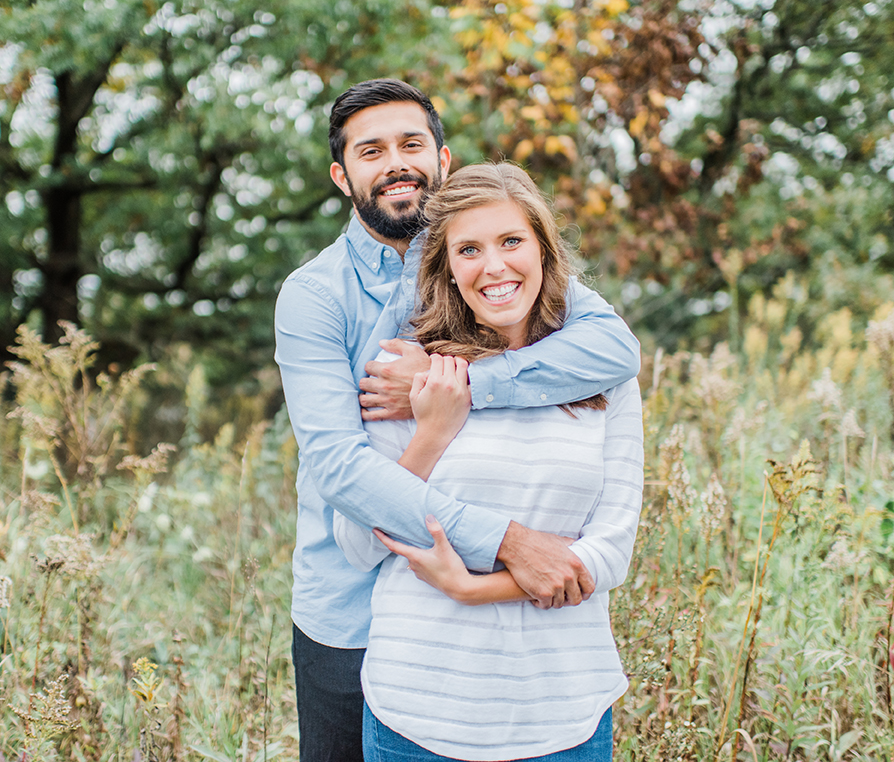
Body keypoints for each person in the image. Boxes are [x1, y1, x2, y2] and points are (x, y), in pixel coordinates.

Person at [273, 79, 640, 761]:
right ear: (340, 174)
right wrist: (509, 542)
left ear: (443, 160)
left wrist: (464, 380)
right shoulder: (314, 296)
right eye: (371, 150)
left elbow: (616, 350)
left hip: (512, 660)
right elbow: (343, 471)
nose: (395, 163)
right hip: (347, 610)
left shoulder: (484, 256)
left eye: (411, 144)